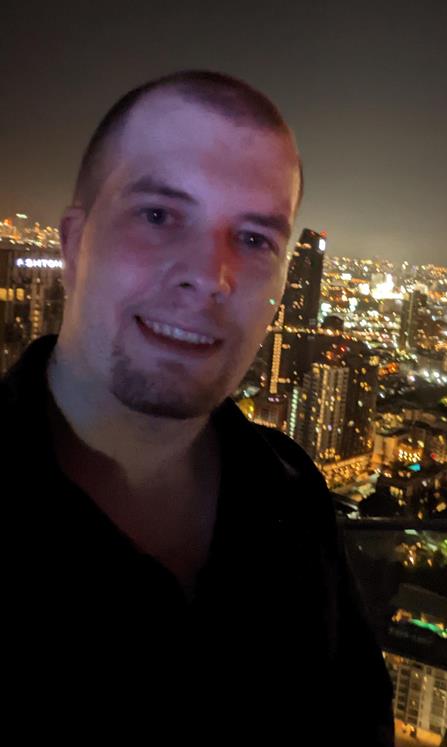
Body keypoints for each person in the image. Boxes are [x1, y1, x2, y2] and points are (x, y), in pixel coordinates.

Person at [1, 70, 394, 741]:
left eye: (254, 239)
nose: (210, 277)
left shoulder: (292, 493)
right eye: (159, 216)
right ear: (73, 244)